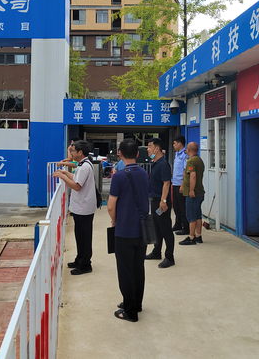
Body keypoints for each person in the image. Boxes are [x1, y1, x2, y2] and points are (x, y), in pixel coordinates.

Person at [107, 138, 149, 322]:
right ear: (138, 154)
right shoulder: (144, 174)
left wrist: (115, 221)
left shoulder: (119, 176)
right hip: (142, 230)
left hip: (124, 231)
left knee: (125, 271)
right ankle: (136, 303)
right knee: (138, 268)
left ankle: (130, 312)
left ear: (120, 154)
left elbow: (110, 206)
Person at [53, 140, 97, 274]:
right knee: (80, 235)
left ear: (80, 152)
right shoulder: (83, 164)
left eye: (73, 151)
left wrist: (62, 177)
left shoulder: (84, 166)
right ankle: (80, 259)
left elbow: (77, 186)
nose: (71, 153)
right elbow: (76, 178)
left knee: (84, 237)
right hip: (81, 207)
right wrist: (65, 173)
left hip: (84, 208)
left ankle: (85, 264)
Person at [145, 138, 175, 268]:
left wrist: (163, 201)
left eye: (149, 146)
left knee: (165, 229)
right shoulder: (155, 163)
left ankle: (169, 257)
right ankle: (156, 252)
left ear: (156, 149)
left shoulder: (163, 164)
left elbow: (166, 183)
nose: (148, 149)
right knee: (156, 228)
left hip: (161, 202)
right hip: (154, 201)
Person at [179, 142, 205, 245]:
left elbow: (192, 176)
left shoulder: (191, 161)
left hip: (193, 193)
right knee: (198, 215)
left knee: (191, 215)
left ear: (188, 150)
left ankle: (191, 237)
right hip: (199, 192)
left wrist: (191, 190)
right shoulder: (199, 160)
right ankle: (198, 235)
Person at [171, 135, 190, 235]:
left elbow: (185, 171)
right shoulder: (177, 154)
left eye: (174, 143)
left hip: (181, 184)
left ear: (179, 143)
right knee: (176, 206)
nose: (173, 145)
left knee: (182, 207)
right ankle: (178, 224)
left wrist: (182, 184)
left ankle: (185, 227)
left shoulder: (185, 155)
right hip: (175, 183)